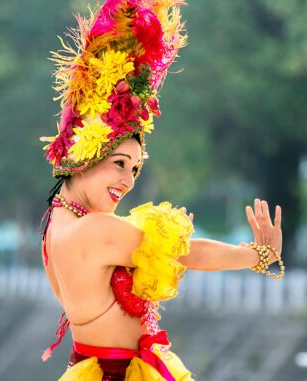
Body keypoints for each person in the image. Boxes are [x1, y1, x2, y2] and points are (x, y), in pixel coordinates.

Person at [37, 1, 285, 380]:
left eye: (135, 167)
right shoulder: (95, 230)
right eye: (119, 163)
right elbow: (189, 252)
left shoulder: (57, 226)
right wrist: (256, 255)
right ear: (84, 155)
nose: (129, 179)